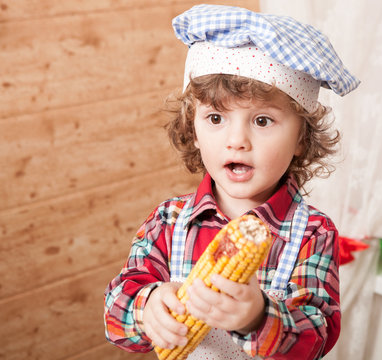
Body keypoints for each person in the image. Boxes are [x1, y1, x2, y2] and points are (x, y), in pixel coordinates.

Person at [104, 4, 360, 359]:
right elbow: (116, 311)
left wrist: (258, 318)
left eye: (262, 121)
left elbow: (317, 334)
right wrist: (144, 308)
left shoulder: (313, 233)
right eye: (215, 118)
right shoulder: (168, 221)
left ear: (302, 138)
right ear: (191, 129)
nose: (236, 140)